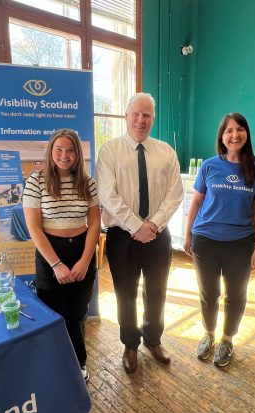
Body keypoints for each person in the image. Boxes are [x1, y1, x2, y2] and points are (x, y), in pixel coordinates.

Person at [96, 92, 184, 373]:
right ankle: (130, 344)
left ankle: (153, 340)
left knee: (157, 291)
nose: (140, 119)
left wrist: (153, 225)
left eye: (146, 114)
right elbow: (108, 196)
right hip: (122, 237)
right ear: (126, 115)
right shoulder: (109, 151)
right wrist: (136, 226)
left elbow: (175, 194)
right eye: (136, 113)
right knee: (125, 293)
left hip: (158, 236)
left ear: (153, 119)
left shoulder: (166, 152)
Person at [183, 112, 255, 367]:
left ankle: (227, 339)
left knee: (236, 295)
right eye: (228, 130)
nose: (234, 134)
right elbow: (196, 201)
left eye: (239, 129)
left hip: (240, 242)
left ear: (246, 134)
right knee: (209, 294)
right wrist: (188, 235)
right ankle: (208, 334)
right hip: (206, 239)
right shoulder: (210, 165)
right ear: (222, 136)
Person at [23, 128, 100, 382]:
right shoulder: (36, 180)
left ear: (77, 154)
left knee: (78, 312)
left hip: (81, 249)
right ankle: (56, 364)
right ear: (51, 151)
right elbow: (34, 227)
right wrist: (55, 264)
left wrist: (86, 259)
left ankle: (78, 363)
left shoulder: (87, 182)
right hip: (50, 252)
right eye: (59, 149)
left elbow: (95, 224)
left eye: (70, 150)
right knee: (54, 313)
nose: (64, 155)